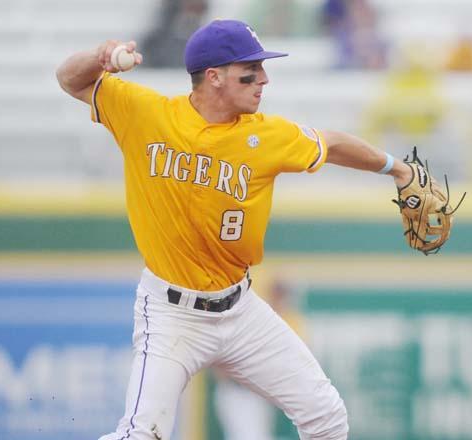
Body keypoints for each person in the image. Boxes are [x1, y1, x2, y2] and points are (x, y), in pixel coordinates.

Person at [55, 19, 413, 440]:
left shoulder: (267, 135)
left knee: (326, 417)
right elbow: (69, 79)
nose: (263, 79)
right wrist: (99, 57)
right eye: (250, 71)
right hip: (171, 314)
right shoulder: (145, 113)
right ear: (214, 77)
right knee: (141, 433)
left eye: (261, 69)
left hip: (241, 310)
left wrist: (398, 169)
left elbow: (331, 144)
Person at [212, 278, 305, 440]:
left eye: (283, 294)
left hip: (259, 395)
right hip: (237, 392)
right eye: (278, 293)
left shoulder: (289, 321)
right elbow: (219, 357)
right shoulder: (254, 316)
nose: (280, 298)